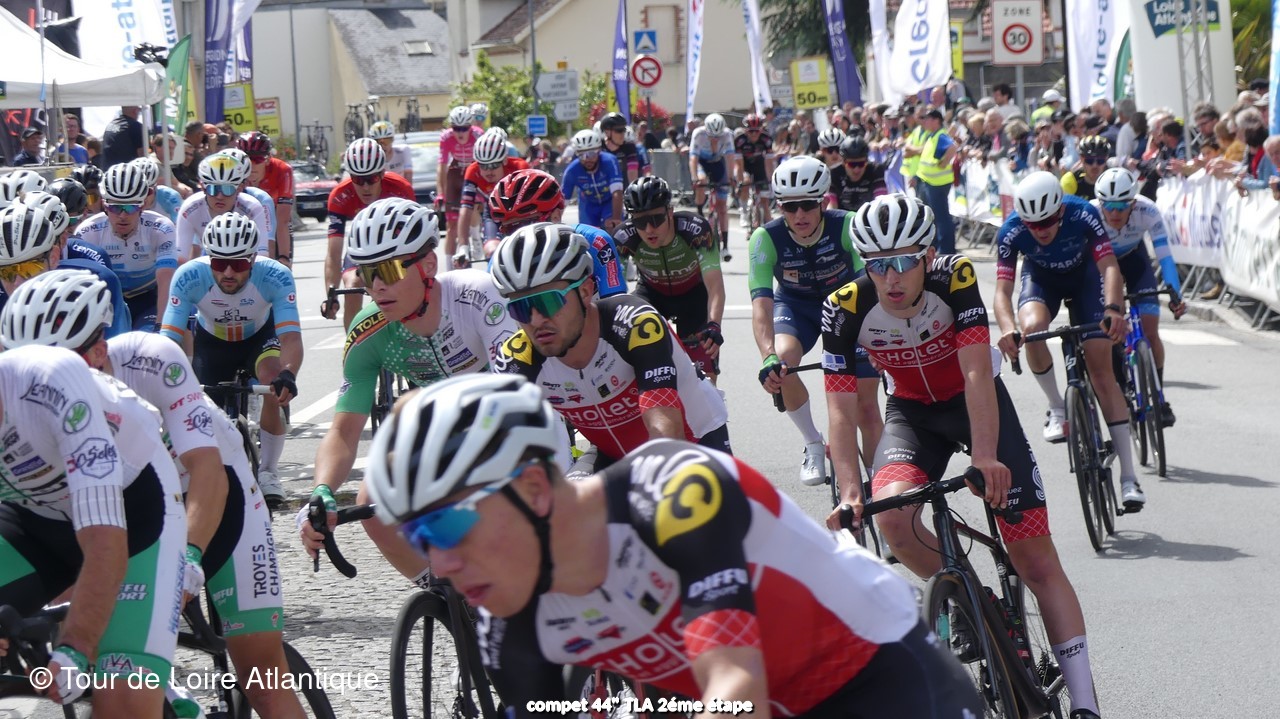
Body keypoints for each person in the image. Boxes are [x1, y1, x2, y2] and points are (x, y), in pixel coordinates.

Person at [364, 374, 984, 717]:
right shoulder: (508, 620)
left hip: (876, 675)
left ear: (532, 490)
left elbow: (733, 687)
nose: (439, 562)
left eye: (447, 527)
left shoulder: (674, 493)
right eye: (419, 537)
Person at [820, 194, 1103, 719]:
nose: (892, 278)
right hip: (912, 416)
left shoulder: (954, 278)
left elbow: (976, 372)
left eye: (904, 261)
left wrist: (987, 457)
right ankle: (972, 601)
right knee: (894, 521)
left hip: (976, 406)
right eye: (878, 265)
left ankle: (1086, 705)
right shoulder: (843, 307)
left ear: (927, 255)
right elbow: (840, 411)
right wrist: (851, 493)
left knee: (1036, 560)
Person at [3, 270, 304, 717]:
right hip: (98, 511)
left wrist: (191, 558)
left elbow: (208, 472)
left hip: (212, 498)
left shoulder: (150, 360)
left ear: (98, 351)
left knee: (261, 675)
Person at [297, 197, 529, 586]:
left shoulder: (477, 297)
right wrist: (321, 490)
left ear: (428, 265)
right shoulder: (368, 334)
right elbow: (343, 431)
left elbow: (518, 396)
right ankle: (447, 596)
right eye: (368, 273)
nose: (377, 286)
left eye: (389, 269)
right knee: (372, 501)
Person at [0, 339, 186, 718]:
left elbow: (104, 539)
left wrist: (76, 646)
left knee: (122, 704)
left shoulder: (50, 379)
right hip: (33, 516)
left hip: (135, 511)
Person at [490, 223, 731, 479]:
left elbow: (666, 433)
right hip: (612, 453)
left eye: (547, 302)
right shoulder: (516, 358)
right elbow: (500, 449)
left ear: (585, 291)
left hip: (694, 441)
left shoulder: (635, 325)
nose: (536, 320)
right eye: (520, 308)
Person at [994, 171, 1145, 510]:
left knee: (1102, 372)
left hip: (1086, 279)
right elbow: (1002, 291)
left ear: (1060, 211)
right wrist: (1007, 329)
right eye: (1033, 224)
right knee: (1032, 329)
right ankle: (1057, 406)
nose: (1041, 230)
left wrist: (1113, 309)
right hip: (1042, 280)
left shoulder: (1082, 213)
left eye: (1048, 221)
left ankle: (1129, 477)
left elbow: (1109, 266)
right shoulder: (1011, 230)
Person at [749, 156, 882, 484]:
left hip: (850, 304)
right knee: (782, 362)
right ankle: (812, 442)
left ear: (823, 201)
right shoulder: (765, 238)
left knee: (866, 405)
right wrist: (767, 356)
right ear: (779, 206)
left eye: (808, 205)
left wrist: (875, 340)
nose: (799, 215)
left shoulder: (848, 224)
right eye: (789, 207)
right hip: (797, 307)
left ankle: (881, 481)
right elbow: (761, 306)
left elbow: (869, 286)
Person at [161, 213, 303, 508]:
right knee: (200, 406)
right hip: (212, 344)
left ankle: (268, 472)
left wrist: (288, 374)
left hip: (260, 339)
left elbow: (290, 337)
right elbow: (168, 339)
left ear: (253, 259)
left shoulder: (275, 275)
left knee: (272, 382)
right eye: (218, 263)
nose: (227, 272)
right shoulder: (189, 276)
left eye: (238, 264)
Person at [1092, 168, 1185, 425]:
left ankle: (1159, 397)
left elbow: (1165, 256)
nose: (1115, 212)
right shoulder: (1090, 214)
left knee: (1150, 331)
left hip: (1135, 260)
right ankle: (1121, 386)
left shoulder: (1148, 211)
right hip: (1102, 265)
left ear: (1133, 203)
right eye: (1109, 206)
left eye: (1122, 206)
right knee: (1111, 329)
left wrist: (1175, 294)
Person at [614, 176, 725, 380]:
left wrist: (714, 325)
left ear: (670, 212)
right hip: (651, 294)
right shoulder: (624, 237)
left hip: (694, 296)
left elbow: (715, 284)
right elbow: (615, 294)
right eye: (640, 221)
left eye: (656, 219)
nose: (649, 229)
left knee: (706, 379)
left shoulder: (696, 230)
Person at [0, 193, 131, 337]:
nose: (18, 283)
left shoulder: (99, 281)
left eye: (29, 269)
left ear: (54, 258)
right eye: (6, 273)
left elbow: (115, 346)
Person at [69, 162, 177, 332]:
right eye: (115, 207)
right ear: (104, 205)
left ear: (142, 205)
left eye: (130, 207)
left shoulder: (161, 228)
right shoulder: (88, 231)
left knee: (148, 340)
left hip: (149, 298)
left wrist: (160, 326)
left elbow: (166, 279)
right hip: (108, 299)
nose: (123, 215)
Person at [486, 169, 627, 299]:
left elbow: (616, 306)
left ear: (556, 216)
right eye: (510, 229)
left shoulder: (596, 242)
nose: (521, 234)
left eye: (528, 223)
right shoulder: (498, 263)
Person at [322, 138, 416, 329]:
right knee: (353, 286)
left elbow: (414, 238)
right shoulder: (340, 196)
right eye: (358, 179)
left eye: (371, 179)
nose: (365, 187)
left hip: (394, 246)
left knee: (394, 284)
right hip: (361, 246)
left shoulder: (400, 189)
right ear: (350, 176)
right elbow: (334, 252)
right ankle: (352, 342)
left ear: (382, 173)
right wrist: (331, 294)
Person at [453, 129, 529, 267]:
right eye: (484, 165)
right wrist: (463, 247)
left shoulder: (520, 168)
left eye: (494, 165)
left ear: (504, 161)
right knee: (491, 251)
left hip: (521, 212)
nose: (489, 171)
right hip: (494, 210)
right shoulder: (473, 171)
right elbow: (465, 209)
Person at [174, 153, 271, 261]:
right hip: (209, 258)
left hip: (243, 263)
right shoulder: (190, 208)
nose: (220, 196)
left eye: (227, 189)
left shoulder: (252, 207)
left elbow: (262, 256)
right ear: (202, 187)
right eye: (213, 189)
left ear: (240, 188)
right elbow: (181, 257)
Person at [240, 132, 296, 268]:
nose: (251, 165)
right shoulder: (234, 170)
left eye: (257, 159)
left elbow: (282, 220)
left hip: (275, 216)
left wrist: (283, 257)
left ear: (268, 159)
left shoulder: (282, 170)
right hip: (243, 217)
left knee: (280, 267)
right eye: (246, 159)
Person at [903, 109, 957, 253]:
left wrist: (944, 162)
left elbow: (952, 147)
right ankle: (936, 246)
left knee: (942, 218)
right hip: (929, 181)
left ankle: (947, 250)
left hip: (937, 183)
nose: (924, 122)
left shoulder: (940, 135)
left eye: (927, 119)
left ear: (936, 121)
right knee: (932, 217)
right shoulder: (932, 135)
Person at [438, 106, 485, 260]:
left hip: (474, 168)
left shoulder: (478, 135)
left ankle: (476, 237)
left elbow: (483, 162)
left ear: (470, 126)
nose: (460, 133)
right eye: (456, 128)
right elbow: (442, 167)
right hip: (456, 170)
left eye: (464, 128)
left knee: (473, 207)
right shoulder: (446, 137)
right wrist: (441, 193)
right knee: (451, 226)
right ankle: (449, 266)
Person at [687, 113, 737, 256]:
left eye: (718, 136)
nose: (715, 139)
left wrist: (731, 177)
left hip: (717, 163)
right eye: (712, 136)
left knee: (722, 207)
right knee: (701, 180)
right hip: (702, 162)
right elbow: (693, 159)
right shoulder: (698, 133)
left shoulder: (727, 134)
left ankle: (725, 246)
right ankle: (700, 211)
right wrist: (694, 178)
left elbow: (730, 158)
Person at [560, 129, 625, 233]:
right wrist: (555, 222)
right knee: (588, 234)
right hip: (588, 204)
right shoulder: (572, 170)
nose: (587, 159)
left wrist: (616, 219)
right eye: (581, 155)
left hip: (609, 201)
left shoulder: (609, 161)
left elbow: (617, 192)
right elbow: (562, 201)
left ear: (599, 151)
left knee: (614, 230)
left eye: (591, 154)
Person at [732, 113, 775, 226]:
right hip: (744, 165)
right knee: (745, 183)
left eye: (757, 131)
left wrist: (770, 180)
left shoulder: (766, 139)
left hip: (759, 165)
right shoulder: (739, 140)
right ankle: (744, 211)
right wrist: (740, 183)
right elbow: (739, 165)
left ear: (761, 130)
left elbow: (769, 162)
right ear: (745, 130)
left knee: (764, 200)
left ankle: (767, 223)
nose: (754, 134)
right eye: (751, 131)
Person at [831, 135, 888, 212]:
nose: (856, 169)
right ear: (843, 163)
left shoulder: (876, 171)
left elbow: (881, 203)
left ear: (867, 161)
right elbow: (831, 209)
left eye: (861, 164)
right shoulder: (834, 173)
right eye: (851, 165)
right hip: (842, 217)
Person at [131, 156, 183, 222]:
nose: (142, 197)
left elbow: (179, 226)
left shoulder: (170, 197)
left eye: (146, 191)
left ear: (155, 185)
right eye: (136, 191)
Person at [1060, 135, 1112, 200]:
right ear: (1082, 159)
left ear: (1106, 159)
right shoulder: (1070, 180)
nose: (1094, 165)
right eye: (1089, 160)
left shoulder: (1112, 181)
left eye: (1100, 160)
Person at [599, 112, 641, 185]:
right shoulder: (599, 148)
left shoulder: (629, 147)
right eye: (619, 130)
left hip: (624, 189)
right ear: (607, 132)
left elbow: (632, 174)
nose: (622, 134)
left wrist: (633, 189)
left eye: (624, 130)